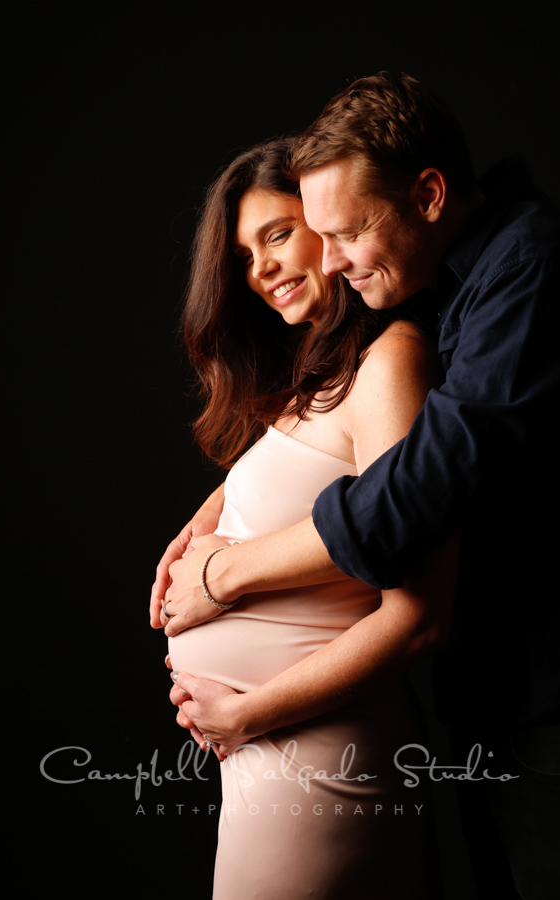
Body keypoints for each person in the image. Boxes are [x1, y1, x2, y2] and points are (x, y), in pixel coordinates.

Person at [153, 74, 560, 899]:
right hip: (495, 702)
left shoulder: (527, 273)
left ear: (427, 195)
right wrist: (214, 516)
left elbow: (417, 493)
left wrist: (224, 575)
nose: (331, 256)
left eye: (340, 231)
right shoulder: (444, 292)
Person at [157, 136, 456, 898]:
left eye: (277, 234)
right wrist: (203, 524)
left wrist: (249, 712)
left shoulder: (393, 361)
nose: (259, 269)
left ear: (329, 221)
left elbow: (417, 616)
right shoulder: (314, 382)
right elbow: (301, 483)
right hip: (269, 749)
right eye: (242, 256)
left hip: (317, 754)